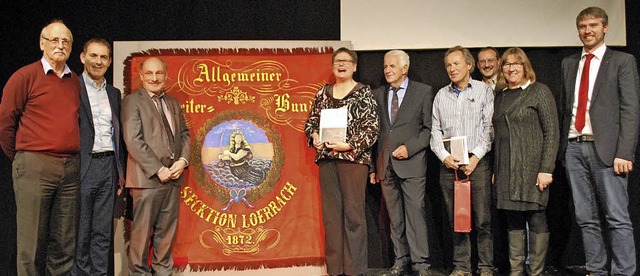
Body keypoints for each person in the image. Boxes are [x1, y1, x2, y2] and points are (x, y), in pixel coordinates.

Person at [559, 6, 639, 276]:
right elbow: (566, 107)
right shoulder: (570, 63)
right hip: (574, 146)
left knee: (617, 217)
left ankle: (623, 272)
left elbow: (630, 110)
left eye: (593, 25)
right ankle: (596, 269)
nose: (587, 31)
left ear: (605, 28)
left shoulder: (621, 61)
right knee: (585, 218)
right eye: (582, 26)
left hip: (607, 150)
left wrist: (625, 152)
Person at [0, 19, 81, 275]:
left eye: (65, 41)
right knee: (31, 243)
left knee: (64, 243)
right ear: (42, 43)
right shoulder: (25, 76)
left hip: (70, 169)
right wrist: (22, 158)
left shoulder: (74, 80)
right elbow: (5, 122)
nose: (60, 45)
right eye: (54, 40)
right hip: (34, 166)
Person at [304, 47, 379, 276]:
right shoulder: (322, 93)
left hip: (352, 161)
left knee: (354, 216)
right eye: (338, 61)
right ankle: (335, 270)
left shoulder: (363, 92)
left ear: (355, 66)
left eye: (347, 61)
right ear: (332, 65)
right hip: (327, 160)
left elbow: (372, 127)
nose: (342, 64)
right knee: (332, 217)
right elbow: (310, 124)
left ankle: (355, 270)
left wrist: (350, 145)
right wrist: (315, 137)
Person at [121, 57, 191, 275]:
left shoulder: (173, 103)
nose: (154, 78)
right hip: (147, 180)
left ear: (165, 75)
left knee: (166, 237)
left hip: (173, 178)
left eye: (158, 73)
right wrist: (158, 169)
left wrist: (183, 161)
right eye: (149, 73)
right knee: (141, 238)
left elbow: (185, 135)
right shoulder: (132, 101)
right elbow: (133, 140)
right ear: (141, 76)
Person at [493, 47, 559, 276]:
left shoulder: (539, 91)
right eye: (507, 64)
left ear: (525, 67)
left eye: (516, 64)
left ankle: (536, 271)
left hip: (532, 169)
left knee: (537, 217)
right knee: (513, 220)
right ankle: (516, 271)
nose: (511, 68)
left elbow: (552, 133)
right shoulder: (500, 96)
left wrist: (546, 169)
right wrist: (495, 170)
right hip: (506, 170)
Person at [430, 46, 494, 276]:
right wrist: (444, 156)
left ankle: (485, 266)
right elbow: (435, 131)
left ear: (469, 65)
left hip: (477, 164)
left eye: (456, 63)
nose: (452, 68)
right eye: (448, 65)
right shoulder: (440, 95)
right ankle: (462, 266)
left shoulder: (484, 91)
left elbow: (489, 129)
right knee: (457, 219)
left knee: (482, 220)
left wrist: (475, 157)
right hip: (450, 166)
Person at [369, 50, 433, 276]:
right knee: (395, 218)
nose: (387, 70)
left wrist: (411, 148)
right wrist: (372, 166)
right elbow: (375, 133)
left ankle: (421, 264)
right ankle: (401, 260)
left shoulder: (423, 92)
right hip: (385, 165)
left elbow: (428, 130)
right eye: (385, 66)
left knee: (415, 215)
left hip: (412, 164)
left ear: (405, 68)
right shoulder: (377, 94)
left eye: (392, 66)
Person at [72, 38, 126, 276]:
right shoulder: (72, 87)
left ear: (110, 61)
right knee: (81, 232)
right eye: (93, 56)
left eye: (103, 57)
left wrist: (120, 174)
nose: (98, 61)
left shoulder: (114, 93)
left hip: (109, 167)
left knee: (103, 233)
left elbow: (118, 135)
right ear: (83, 57)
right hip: (85, 165)